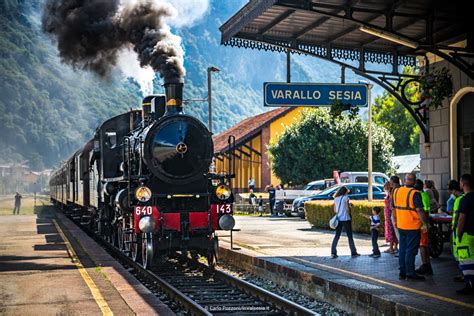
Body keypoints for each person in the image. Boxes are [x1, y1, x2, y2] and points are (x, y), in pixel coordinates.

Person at [392, 173, 429, 281]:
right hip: (412, 226)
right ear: (414, 182)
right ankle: (410, 273)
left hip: (401, 225)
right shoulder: (415, 193)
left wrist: (396, 221)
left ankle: (402, 272)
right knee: (411, 251)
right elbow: (420, 210)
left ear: (404, 180)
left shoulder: (396, 191)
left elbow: (393, 208)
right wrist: (425, 223)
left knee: (402, 249)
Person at [456, 174, 474, 294]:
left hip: (467, 235)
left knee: (466, 261)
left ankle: (470, 284)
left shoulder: (465, 199)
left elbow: (462, 218)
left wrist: (459, 234)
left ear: (463, 184)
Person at [331, 186, 359, 258]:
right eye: (347, 192)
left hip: (338, 219)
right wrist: (350, 207)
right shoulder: (346, 198)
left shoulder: (336, 198)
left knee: (337, 236)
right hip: (346, 219)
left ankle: (333, 252)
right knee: (350, 236)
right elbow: (347, 209)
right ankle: (353, 252)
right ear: (345, 192)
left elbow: (335, 210)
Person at [414, 179, 433, 276]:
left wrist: (424, 224)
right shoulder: (424, 194)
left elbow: (423, 211)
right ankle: (427, 265)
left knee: (422, 245)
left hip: (422, 225)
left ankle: (425, 265)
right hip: (424, 223)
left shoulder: (420, 195)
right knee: (423, 245)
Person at [448, 180, 464, 282]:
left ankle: (464, 275)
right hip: (460, 228)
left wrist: (453, 227)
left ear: (454, 190)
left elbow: (457, 215)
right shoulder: (463, 198)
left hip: (458, 229)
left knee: (460, 253)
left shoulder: (458, 200)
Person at [383, 182, 398, 254]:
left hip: (390, 214)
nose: (384, 188)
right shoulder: (391, 193)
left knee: (391, 230)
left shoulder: (390, 193)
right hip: (389, 214)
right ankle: (394, 247)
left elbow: (392, 204)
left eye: (385, 187)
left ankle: (392, 248)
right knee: (393, 230)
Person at [389, 176, 401, 243]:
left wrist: (395, 219)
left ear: (392, 182)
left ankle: (402, 251)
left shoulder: (394, 190)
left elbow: (393, 206)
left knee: (398, 234)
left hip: (396, 214)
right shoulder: (401, 188)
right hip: (401, 214)